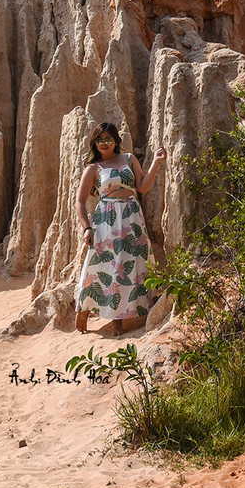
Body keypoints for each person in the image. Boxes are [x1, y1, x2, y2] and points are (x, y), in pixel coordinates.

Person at [74, 122, 166, 336]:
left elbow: (142, 187)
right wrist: (87, 228)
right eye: (99, 140)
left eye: (108, 139)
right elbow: (80, 201)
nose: (103, 143)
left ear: (116, 141)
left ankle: (120, 318)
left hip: (132, 216)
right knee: (104, 265)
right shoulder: (93, 168)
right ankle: (85, 309)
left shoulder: (129, 159)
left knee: (129, 265)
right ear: (94, 143)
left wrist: (156, 162)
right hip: (107, 219)